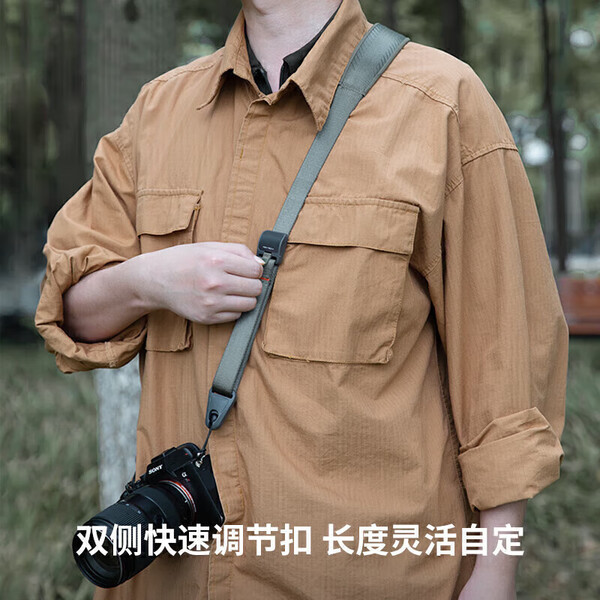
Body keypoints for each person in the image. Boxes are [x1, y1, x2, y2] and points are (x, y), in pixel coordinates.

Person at [35, 0, 569, 598]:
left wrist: (494, 573)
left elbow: (505, 365)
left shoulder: (442, 103)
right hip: (180, 581)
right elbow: (70, 313)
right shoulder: (159, 111)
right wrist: (149, 281)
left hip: (364, 578)